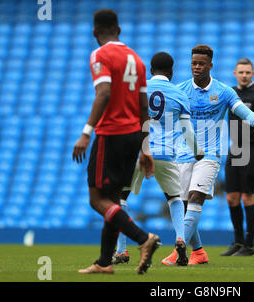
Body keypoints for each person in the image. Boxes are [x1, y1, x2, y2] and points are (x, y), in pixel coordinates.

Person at [72, 9, 160, 275]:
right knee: (112, 198)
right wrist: (145, 148)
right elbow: (144, 106)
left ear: (95, 32)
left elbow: (104, 92)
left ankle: (143, 238)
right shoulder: (137, 58)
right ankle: (104, 262)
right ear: (119, 30)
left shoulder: (100, 55)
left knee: (96, 198)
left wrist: (87, 132)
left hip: (111, 134)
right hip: (134, 136)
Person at [161, 44, 254, 265]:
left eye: (201, 64)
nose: (196, 67)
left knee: (196, 197)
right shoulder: (180, 91)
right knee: (185, 205)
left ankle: (177, 251)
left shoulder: (224, 91)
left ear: (210, 65)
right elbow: (166, 118)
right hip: (183, 154)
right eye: (193, 63)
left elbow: (239, 108)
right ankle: (198, 252)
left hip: (210, 154)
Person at [112, 52, 204, 266]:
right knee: (174, 198)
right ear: (171, 71)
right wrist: (197, 150)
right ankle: (180, 238)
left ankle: (122, 251)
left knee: (121, 197)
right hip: (165, 153)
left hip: (136, 151)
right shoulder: (179, 94)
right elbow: (187, 130)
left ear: (150, 70)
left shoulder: (137, 89)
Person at [221, 58, 254, 256]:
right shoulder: (230, 93)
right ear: (235, 73)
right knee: (232, 197)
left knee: (248, 196)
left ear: (253, 74)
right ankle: (238, 242)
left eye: (247, 72)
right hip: (236, 148)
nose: (244, 75)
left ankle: (249, 244)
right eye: (241, 72)